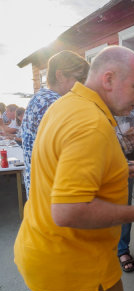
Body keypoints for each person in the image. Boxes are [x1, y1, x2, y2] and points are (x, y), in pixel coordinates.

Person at [14, 45, 134, 291]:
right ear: (108, 79)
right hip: (75, 268)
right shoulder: (90, 123)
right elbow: (69, 210)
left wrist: (118, 170)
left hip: (45, 248)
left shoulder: (68, 103)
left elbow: (62, 163)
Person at [21, 50, 90, 197]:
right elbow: (76, 152)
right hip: (52, 197)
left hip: (42, 193)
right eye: (79, 78)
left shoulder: (40, 98)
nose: (83, 85)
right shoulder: (52, 103)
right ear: (60, 75)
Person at [115, 105, 134, 272]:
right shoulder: (93, 112)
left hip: (125, 165)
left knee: (125, 210)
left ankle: (122, 250)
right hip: (103, 171)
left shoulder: (129, 113)